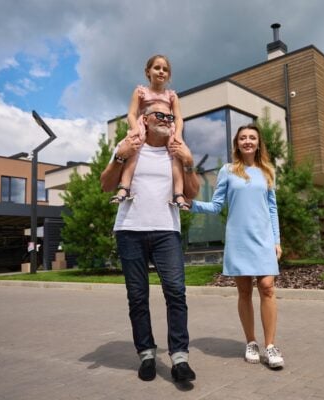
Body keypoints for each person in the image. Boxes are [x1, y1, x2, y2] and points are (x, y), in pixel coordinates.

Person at [100, 102, 200, 383]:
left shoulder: (176, 149)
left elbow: (191, 191)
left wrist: (188, 160)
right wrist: (120, 156)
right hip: (130, 230)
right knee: (138, 296)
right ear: (144, 119)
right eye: (161, 115)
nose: (167, 119)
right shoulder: (129, 145)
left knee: (176, 293)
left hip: (167, 230)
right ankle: (146, 353)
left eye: (171, 116)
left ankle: (180, 357)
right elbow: (105, 185)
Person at [188, 124, 285, 369]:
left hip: (263, 239)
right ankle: (251, 342)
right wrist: (192, 204)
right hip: (239, 239)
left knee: (267, 287)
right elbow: (216, 205)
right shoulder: (228, 170)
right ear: (237, 143)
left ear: (258, 142)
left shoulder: (267, 172)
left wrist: (276, 240)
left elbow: (272, 209)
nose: (248, 141)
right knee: (244, 292)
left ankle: (270, 346)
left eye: (252, 137)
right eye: (243, 138)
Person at [110, 54, 188, 208]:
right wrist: (134, 130)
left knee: (176, 152)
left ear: (169, 75)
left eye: (165, 69)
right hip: (144, 125)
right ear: (148, 72)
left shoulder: (171, 96)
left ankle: (178, 193)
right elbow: (132, 113)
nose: (161, 72)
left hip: (167, 127)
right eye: (157, 68)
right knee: (135, 147)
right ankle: (124, 187)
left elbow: (178, 118)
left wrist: (177, 134)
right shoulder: (140, 91)